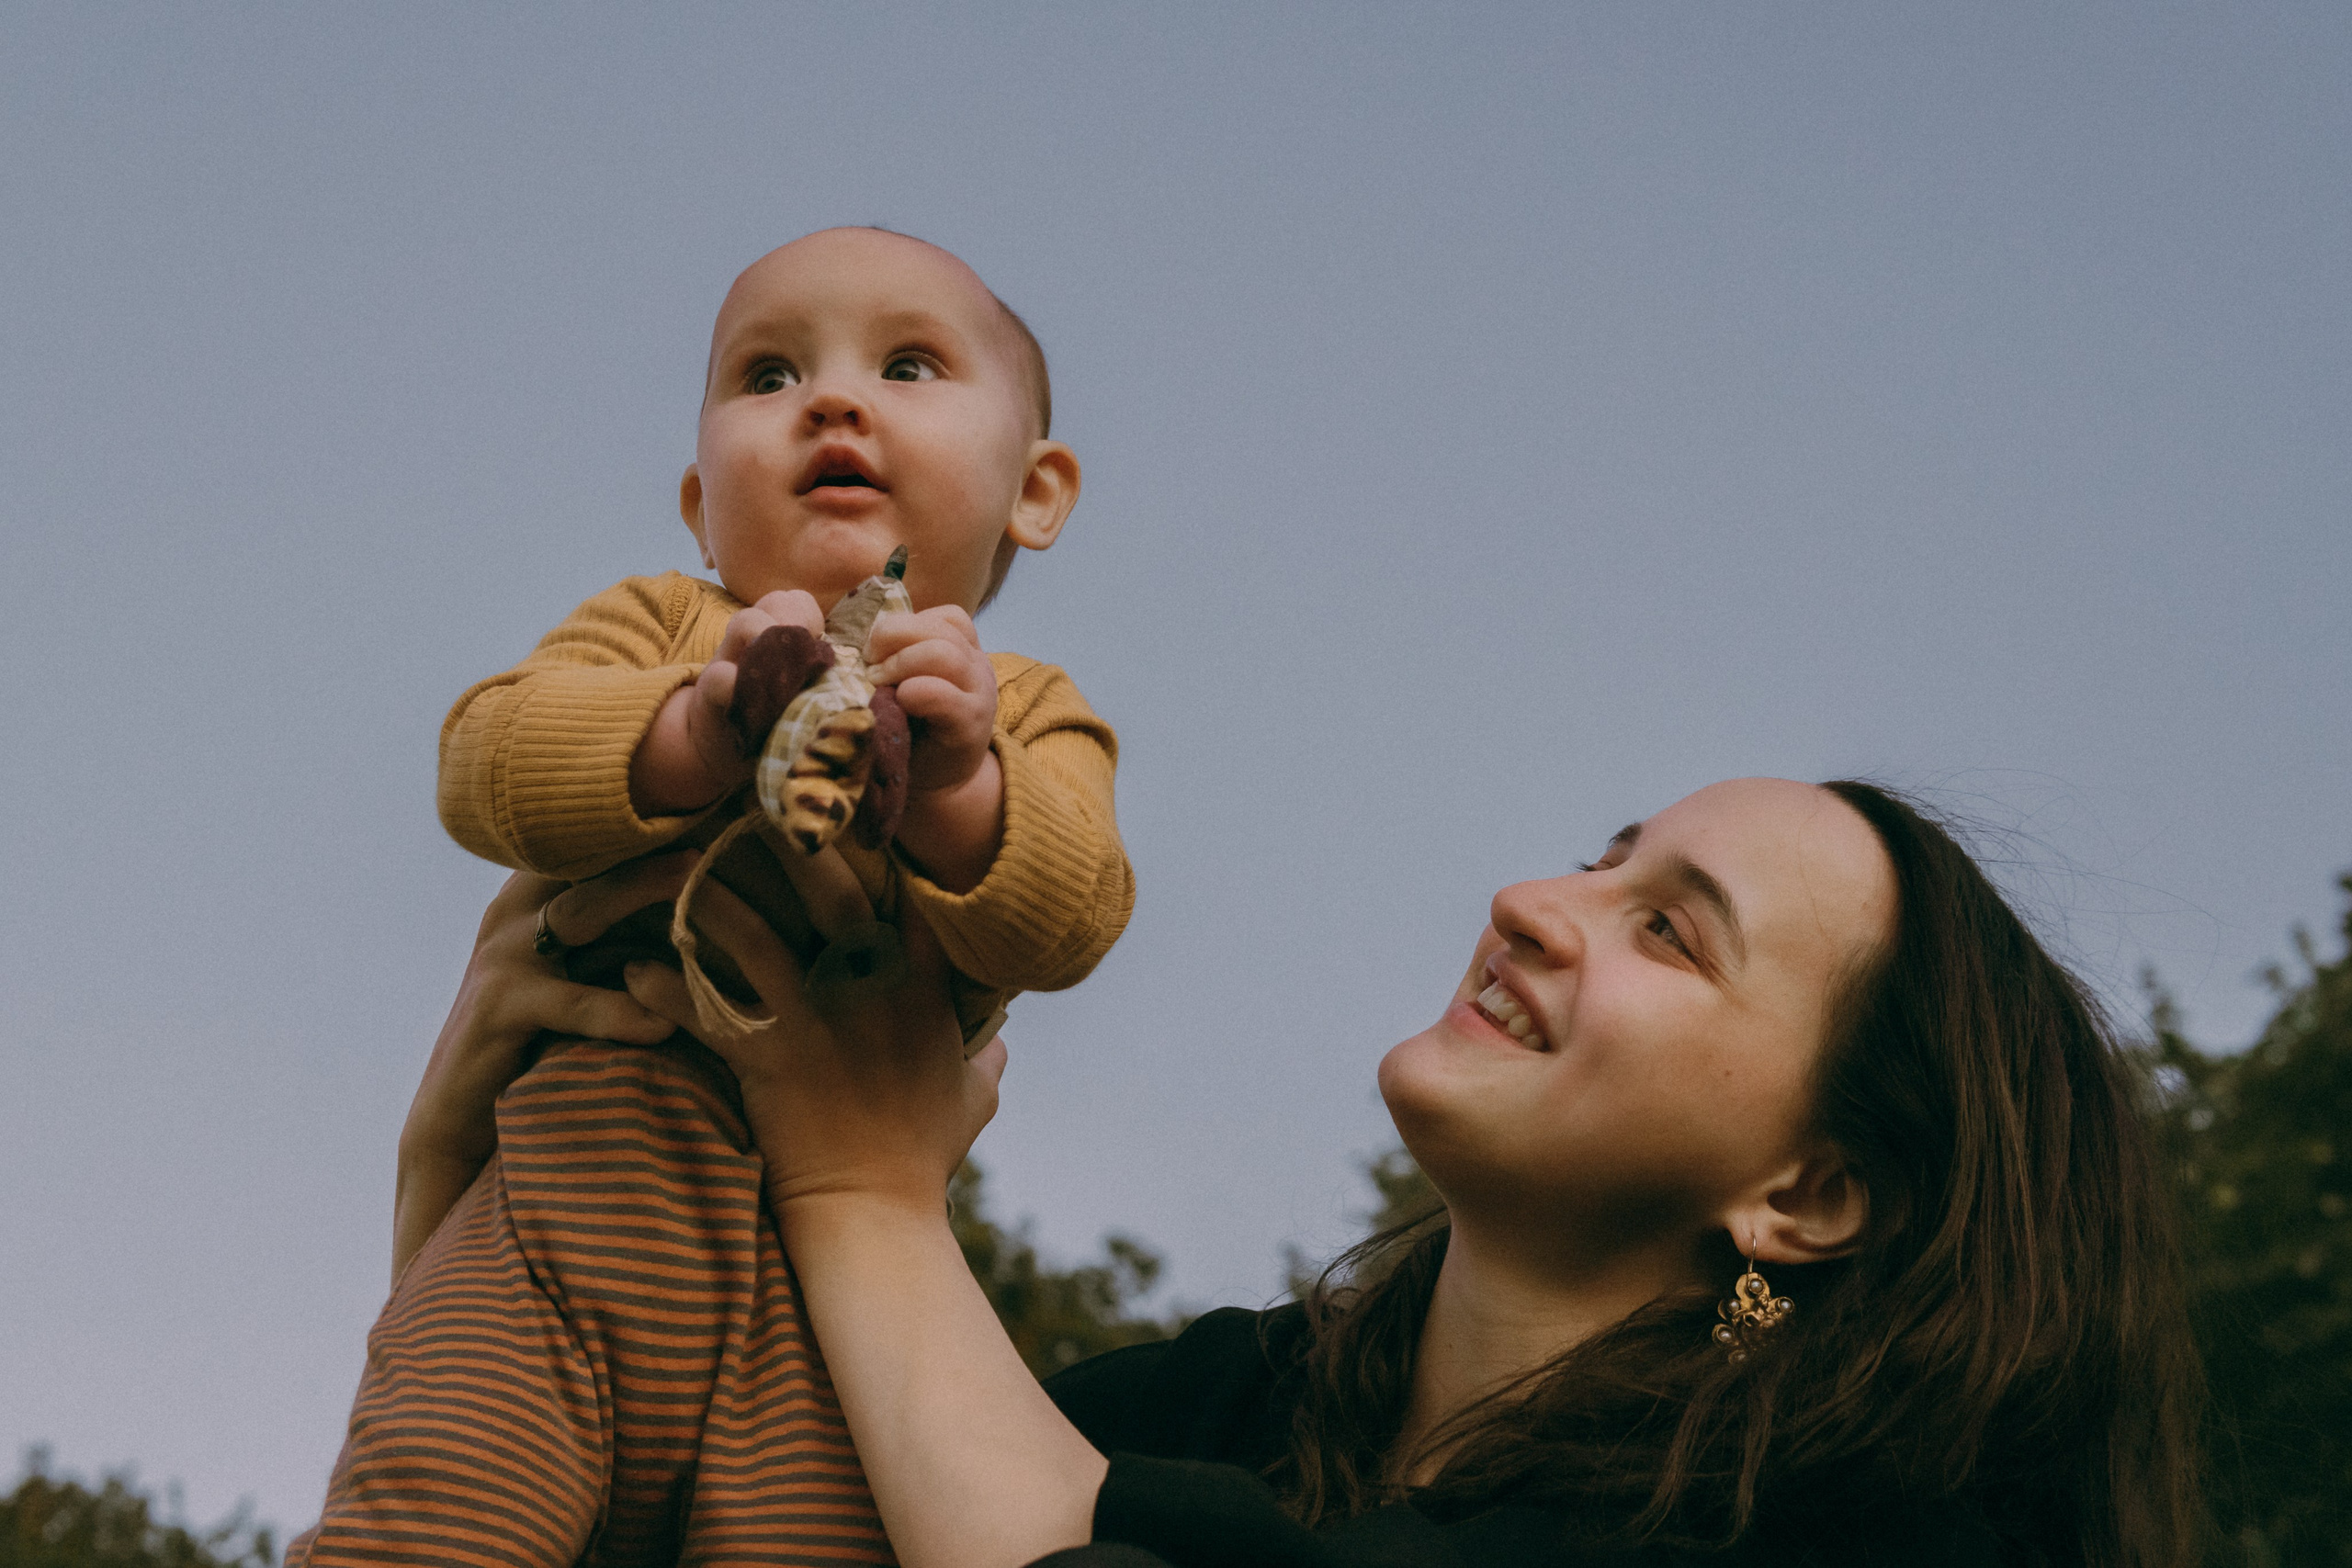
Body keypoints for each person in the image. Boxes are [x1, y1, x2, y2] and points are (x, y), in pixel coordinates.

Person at [392, 778, 2206, 1568]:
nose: (1531, 900)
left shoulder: (1851, 1546)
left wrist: (865, 1191)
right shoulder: (1216, 1406)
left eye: (1666, 927)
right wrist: (471, 1182)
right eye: (1601, 852)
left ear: (1805, 1192)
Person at [289, 229, 1134, 1568]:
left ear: (1036, 492)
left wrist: (964, 783)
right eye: (768, 373)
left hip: (818, 1317)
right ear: (699, 501)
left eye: (908, 364)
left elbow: (1074, 913)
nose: (832, 399)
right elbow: (488, 760)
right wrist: (699, 724)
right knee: (429, 1528)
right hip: (551, 1233)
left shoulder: (1024, 711)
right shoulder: (659, 629)